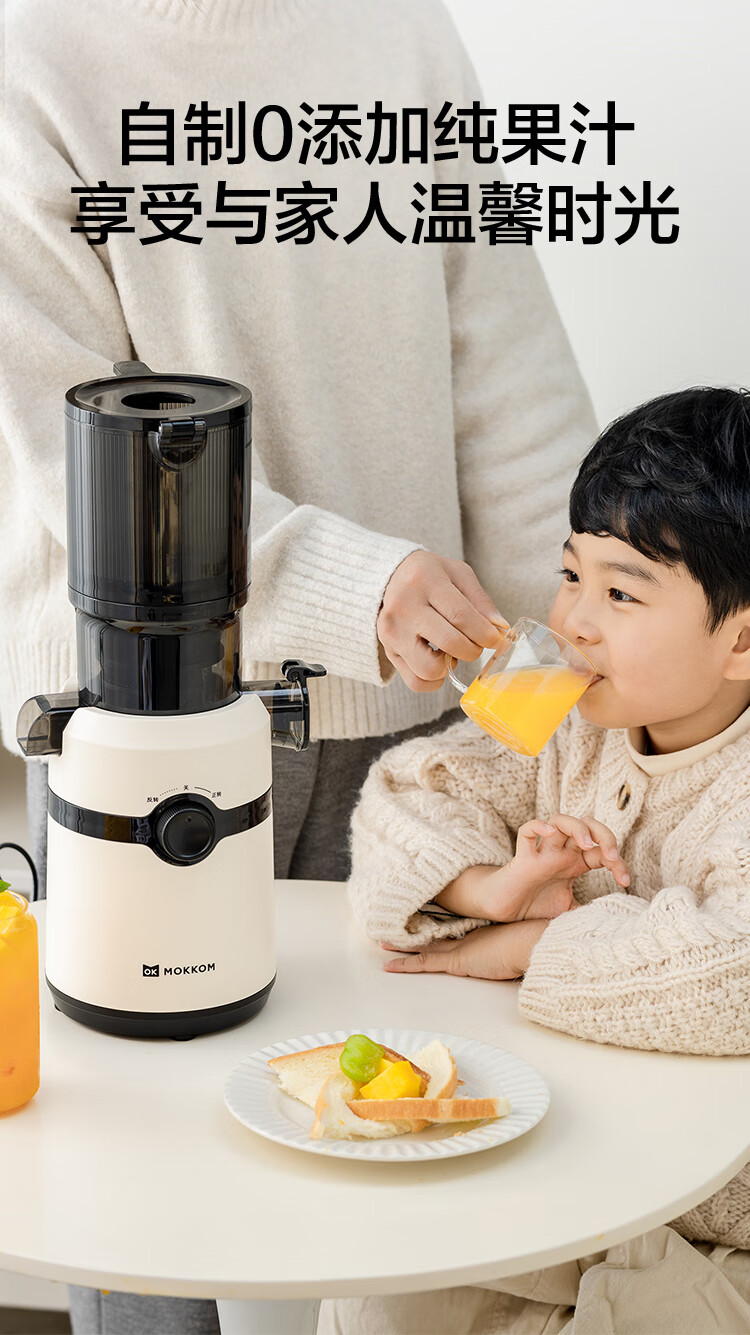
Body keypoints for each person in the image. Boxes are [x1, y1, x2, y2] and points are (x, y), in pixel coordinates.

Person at [1, 0, 595, 1331]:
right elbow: (71, 440)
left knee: (394, 1149)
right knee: (138, 1170)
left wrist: (579, 634)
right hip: (152, 719)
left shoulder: (399, 35)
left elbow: (505, 370)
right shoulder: (30, 60)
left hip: (413, 720)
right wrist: (348, 585)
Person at [323, 387, 750, 1334]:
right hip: (578, 1172)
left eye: (621, 593)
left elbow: (735, 968)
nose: (575, 620)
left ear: (743, 638)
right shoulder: (572, 727)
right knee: (376, 1286)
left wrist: (523, 947)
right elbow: (404, 796)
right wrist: (491, 888)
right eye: (570, 574)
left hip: (718, 1221)